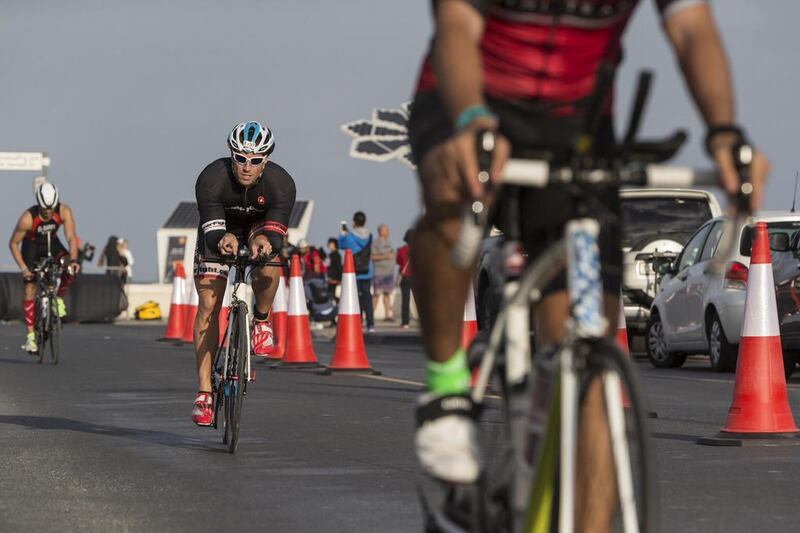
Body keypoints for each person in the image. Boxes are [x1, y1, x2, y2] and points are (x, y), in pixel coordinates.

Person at [408, 1, 770, 529]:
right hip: (466, 96)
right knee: (450, 192)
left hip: (573, 122)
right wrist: (471, 121)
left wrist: (724, 133)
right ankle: (444, 390)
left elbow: (691, 27)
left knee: (586, 370)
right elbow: (457, 24)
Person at [191, 121, 296, 426]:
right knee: (209, 306)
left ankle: (261, 320)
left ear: (266, 161)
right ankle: (205, 392)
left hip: (257, 227)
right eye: (240, 158)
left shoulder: (282, 184)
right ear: (231, 155)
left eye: (255, 160)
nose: (246, 167)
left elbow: (275, 233)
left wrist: (265, 242)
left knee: (269, 258)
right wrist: (221, 239)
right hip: (219, 226)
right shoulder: (211, 178)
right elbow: (212, 229)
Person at [8, 182, 81, 353]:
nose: (48, 211)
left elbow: (71, 237)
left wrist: (74, 260)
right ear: (38, 203)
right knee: (30, 286)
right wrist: (24, 269)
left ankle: (59, 298)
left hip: (52, 243)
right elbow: (13, 243)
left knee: (70, 267)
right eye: (44, 208)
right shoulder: (27, 218)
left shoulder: (64, 211)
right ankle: (31, 337)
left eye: (51, 208)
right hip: (31, 246)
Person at [339, 211, 375, 332]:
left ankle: (358, 323)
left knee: (356, 299)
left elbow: (341, 245)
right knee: (367, 298)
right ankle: (370, 325)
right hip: (367, 271)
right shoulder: (370, 236)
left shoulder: (349, 237)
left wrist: (342, 233)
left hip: (354, 272)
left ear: (354, 222)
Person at [371, 224, 396, 321]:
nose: (388, 231)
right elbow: (372, 256)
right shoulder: (375, 243)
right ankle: (371, 315)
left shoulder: (389, 242)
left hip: (389, 273)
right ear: (380, 231)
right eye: (386, 230)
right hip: (379, 273)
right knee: (376, 294)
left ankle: (387, 316)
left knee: (387, 294)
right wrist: (386, 257)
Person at [396, 229, 413, 329]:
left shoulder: (401, 250)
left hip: (405, 277)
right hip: (417, 278)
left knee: (405, 301)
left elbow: (398, 262)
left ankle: (405, 322)